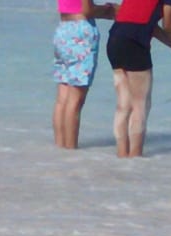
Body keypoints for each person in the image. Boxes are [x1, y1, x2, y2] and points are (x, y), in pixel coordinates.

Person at [105, 0, 171, 157]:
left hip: (115, 39)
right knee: (140, 105)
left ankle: (121, 156)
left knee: (124, 104)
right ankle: (135, 158)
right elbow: (169, 26)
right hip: (134, 43)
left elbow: (151, 26)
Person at [53, 0, 117, 149]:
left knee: (62, 98)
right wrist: (108, 10)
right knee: (75, 100)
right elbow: (87, 10)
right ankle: (70, 150)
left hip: (63, 29)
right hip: (80, 32)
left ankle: (59, 150)